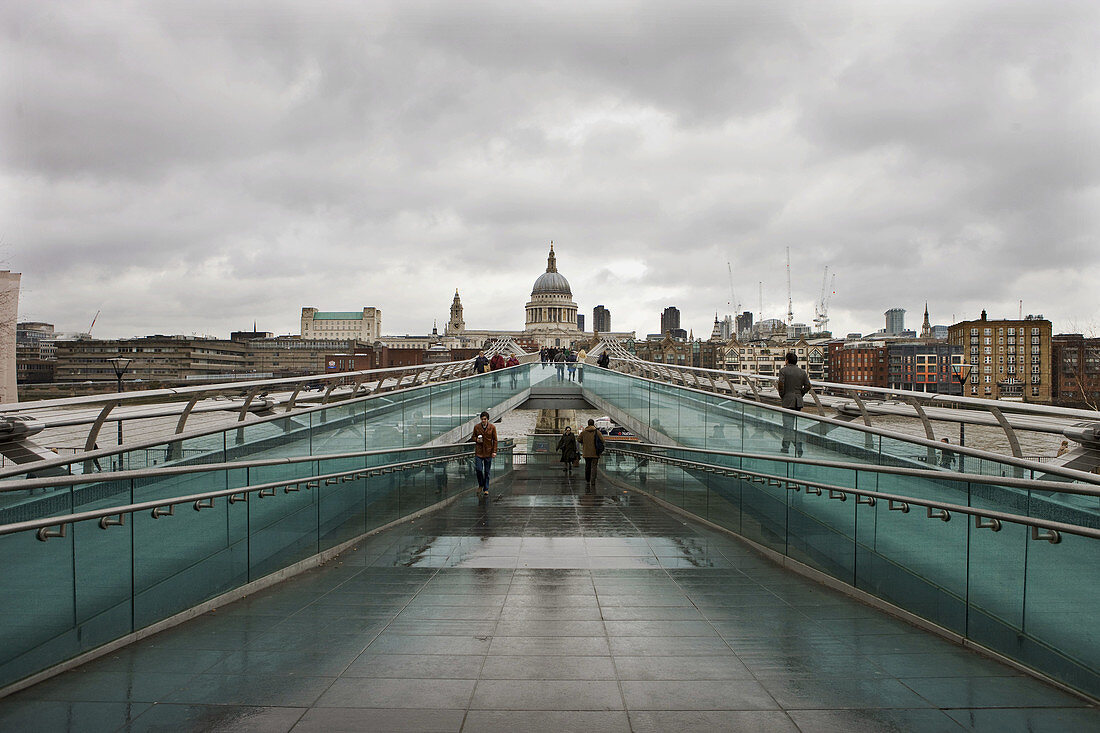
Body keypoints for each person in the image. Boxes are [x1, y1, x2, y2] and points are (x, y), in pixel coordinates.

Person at [777, 351, 811, 457]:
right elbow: (808, 385)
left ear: (787, 360)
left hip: (788, 400)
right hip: (798, 401)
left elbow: (781, 384)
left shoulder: (783, 371)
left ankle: (796, 444)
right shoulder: (802, 372)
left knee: (787, 426)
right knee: (790, 425)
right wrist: (800, 394)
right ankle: (785, 446)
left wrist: (782, 395)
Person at [471, 411, 497, 497]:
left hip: (488, 452)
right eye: (482, 419)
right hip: (479, 451)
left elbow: (495, 440)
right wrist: (476, 440)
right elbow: (473, 437)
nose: (483, 421)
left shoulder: (492, 427)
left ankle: (486, 489)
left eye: (485, 419)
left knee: (487, 471)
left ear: (487, 419)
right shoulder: (476, 427)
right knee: (478, 469)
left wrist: (494, 451)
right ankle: (481, 484)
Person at [579, 418, 605, 488]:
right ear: (593, 424)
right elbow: (603, 440)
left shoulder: (584, 432)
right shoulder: (597, 432)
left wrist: (584, 442)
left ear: (588, 424)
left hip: (586, 452)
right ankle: (593, 481)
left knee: (587, 466)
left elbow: (578, 439)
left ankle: (587, 479)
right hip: (595, 453)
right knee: (594, 467)